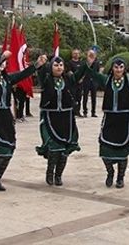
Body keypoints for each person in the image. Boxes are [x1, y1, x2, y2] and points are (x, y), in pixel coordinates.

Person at [79, 50, 129, 189]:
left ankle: (120, 177)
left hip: (125, 120)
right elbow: (92, 74)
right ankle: (110, 172)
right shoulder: (106, 80)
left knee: (122, 149)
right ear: (112, 68)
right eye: (116, 67)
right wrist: (89, 63)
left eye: (121, 67)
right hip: (110, 119)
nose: (118, 69)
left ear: (124, 69)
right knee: (105, 147)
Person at [0, 50, 46, 192]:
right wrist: (2, 57)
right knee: (1, 145)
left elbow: (23, 74)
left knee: (10, 146)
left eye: (3, 62)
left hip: (5, 115)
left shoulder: (7, 79)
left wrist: (37, 65)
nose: (2, 64)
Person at [35, 56, 80, 186]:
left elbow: (80, 74)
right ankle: (50, 173)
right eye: (56, 65)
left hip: (66, 118)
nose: (59, 67)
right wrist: (40, 64)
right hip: (50, 117)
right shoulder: (46, 79)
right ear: (51, 67)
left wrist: (88, 62)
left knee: (64, 150)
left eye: (61, 65)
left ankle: (59, 175)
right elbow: (41, 72)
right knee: (54, 148)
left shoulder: (68, 79)